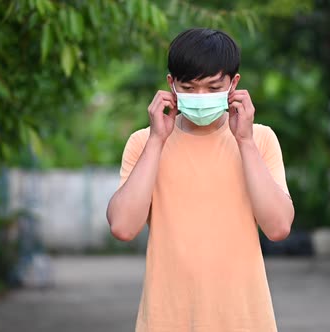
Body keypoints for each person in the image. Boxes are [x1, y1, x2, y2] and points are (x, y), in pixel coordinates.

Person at [106, 28, 295, 332]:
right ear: (171, 85)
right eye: (189, 87)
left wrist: (244, 141)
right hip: (165, 322)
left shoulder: (260, 140)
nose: (200, 97)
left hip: (246, 322)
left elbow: (279, 227)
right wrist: (157, 139)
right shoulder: (144, 144)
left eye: (212, 87)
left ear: (234, 84)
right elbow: (123, 227)